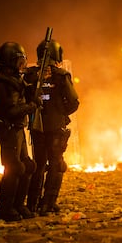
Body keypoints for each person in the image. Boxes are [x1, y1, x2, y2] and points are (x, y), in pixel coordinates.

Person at [25, 39, 79, 216]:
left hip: (36, 127)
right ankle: (48, 204)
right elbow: (73, 102)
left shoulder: (29, 75)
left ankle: (32, 204)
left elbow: (24, 98)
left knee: (38, 164)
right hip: (56, 127)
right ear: (58, 55)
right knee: (56, 164)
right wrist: (61, 113)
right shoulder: (61, 75)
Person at [0, 42, 38, 221]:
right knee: (14, 168)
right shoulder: (1, 81)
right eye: (19, 61)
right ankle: (5, 208)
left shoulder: (16, 79)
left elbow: (24, 95)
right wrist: (31, 107)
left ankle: (18, 205)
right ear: (11, 61)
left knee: (28, 166)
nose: (22, 64)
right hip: (8, 129)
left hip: (18, 128)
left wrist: (32, 89)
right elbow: (10, 111)